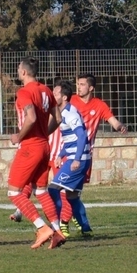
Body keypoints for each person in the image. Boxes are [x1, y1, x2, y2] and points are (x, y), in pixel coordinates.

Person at [7, 57, 65, 249]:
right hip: (44, 146)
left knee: (14, 192)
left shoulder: (24, 92)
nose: (17, 71)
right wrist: (44, 133)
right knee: (40, 191)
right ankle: (57, 232)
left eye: (18, 68)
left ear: (23, 72)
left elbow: (31, 117)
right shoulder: (46, 90)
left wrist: (19, 137)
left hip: (30, 147)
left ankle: (42, 228)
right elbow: (58, 118)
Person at [68, 72, 128, 237]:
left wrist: (120, 126)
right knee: (62, 190)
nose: (78, 87)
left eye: (82, 84)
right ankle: (66, 224)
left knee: (74, 193)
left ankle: (79, 222)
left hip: (85, 156)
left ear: (91, 88)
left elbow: (113, 121)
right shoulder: (71, 101)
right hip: (67, 153)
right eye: (78, 84)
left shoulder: (99, 105)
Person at [48, 79, 93, 235]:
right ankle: (86, 229)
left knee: (53, 189)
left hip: (78, 159)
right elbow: (71, 140)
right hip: (78, 158)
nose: (52, 95)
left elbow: (82, 136)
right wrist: (61, 155)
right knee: (72, 196)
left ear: (64, 97)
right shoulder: (62, 113)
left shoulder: (70, 113)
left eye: (55, 93)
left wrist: (76, 159)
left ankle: (56, 227)